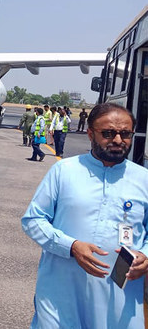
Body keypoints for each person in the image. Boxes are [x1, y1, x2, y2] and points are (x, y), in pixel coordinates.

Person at [21, 103, 148, 328]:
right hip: (61, 293)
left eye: (125, 133)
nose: (118, 140)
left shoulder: (143, 179)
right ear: (90, 134)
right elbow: (33, 219)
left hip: (119, 300)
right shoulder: (64, 171)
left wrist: (146, 255)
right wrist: (71, 246)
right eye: (108, 133)